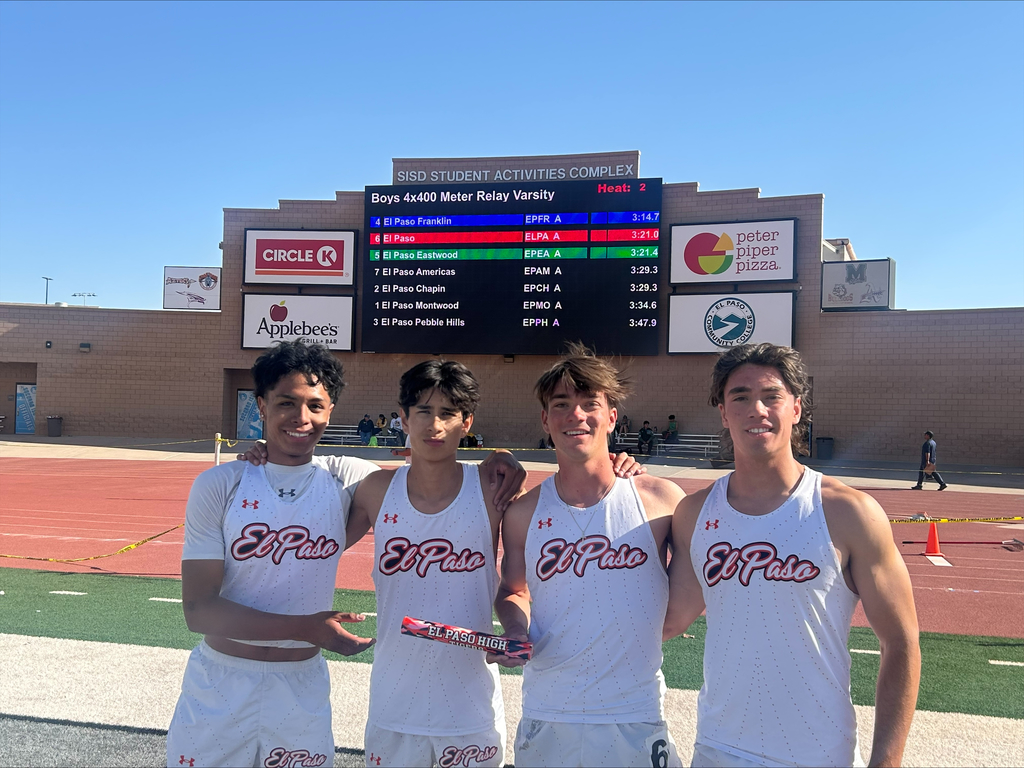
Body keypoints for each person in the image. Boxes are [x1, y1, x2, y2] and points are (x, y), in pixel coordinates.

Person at [664, 343, 921, 768]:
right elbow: (670, 620)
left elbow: (901, 641)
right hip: (718, 750)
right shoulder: (695, 513)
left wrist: (887, 763)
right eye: (740, 397)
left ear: (797, 408)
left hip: (820, 754)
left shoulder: (848, 511)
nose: (756, 409)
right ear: (723, 413)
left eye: (771, 396)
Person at [167, 341, 379, 768]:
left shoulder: (350, 477)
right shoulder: (220, 483)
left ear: (330, 409)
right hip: (221, 682)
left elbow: (433, 486)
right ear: (261, 406)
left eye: (315, 406)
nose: (302, 419)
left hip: (300, 686)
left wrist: (498, 461)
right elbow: (198, 611)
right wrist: (307, 628)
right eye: (286, 403)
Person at [490, 343, 687, 768]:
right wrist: (515, 629)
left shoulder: (660, 500)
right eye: (561, 404)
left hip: (634, 714)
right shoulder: (523, 512)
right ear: (545, 418)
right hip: (548, 713)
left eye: (588, 403)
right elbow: (512, 590)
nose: (575, 415)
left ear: (611, 416)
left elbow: (685, 603)